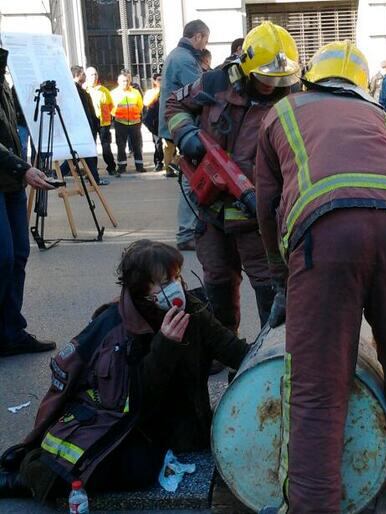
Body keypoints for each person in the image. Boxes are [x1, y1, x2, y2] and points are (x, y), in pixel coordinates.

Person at [255, 40, 386, 513]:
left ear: (311, 78)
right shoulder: (379, 116)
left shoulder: (281, 113)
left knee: (317, 387)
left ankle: (315, 504)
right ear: (361, 87)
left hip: (326, 236)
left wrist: (281, 280)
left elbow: (266, 205)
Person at [0, 239, 249, 502]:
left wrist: (272, 353)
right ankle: (27, 477)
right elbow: (135, 398)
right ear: (142, 289)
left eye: (177, 276)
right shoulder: (117, 330)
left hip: (184, 425)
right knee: (134, 469)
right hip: (132, 426)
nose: (176, 288)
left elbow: (231, 348)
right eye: (164, 283)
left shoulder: (192, 310)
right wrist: (165, 346)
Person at [165, 21, 301, 332]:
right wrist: (185, 133)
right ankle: (225, 351)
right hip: (210, 208)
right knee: (217, 278)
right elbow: (174, 104)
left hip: (258, 215)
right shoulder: (214, 83)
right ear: (247, 65)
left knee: (270, 284)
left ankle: (271, 354)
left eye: (278, 78)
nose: (271, 85)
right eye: (264, 77)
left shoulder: (293, 94)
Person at [0, 47, 57, 357]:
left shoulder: (2, 71)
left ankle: (11, 332)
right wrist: (23, 167)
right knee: (3, 258)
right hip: (11, 173)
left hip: (11, 181)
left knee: (19, 255)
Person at [159, 19, 210, 250]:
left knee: (191, 178)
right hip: (184, 126)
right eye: (205, 40)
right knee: (191, 181)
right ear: (198, 36)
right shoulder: (184, 59)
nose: (204, 46)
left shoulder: (178, 55)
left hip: (179, 125)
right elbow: (200, 91)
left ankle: (190, 230)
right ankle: (186, 233)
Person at [66, 66, 109, 185]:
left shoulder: (80, 89)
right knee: (87, 153)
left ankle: (94, 178)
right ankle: (94, 179)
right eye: (83, 74)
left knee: (84, 153)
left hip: (87, 126)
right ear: (77, 75)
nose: (85, 76)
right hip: (83, 127)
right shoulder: (74, 89)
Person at [110, 72, 146, 174]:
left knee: (137, 145)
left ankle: (139, 165)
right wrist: (117, 115)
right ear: (118, 82)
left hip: (135, 122)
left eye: (126, 81)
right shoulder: (113, 93)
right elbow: (110, 107)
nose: (125, 83)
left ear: (129, 81)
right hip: (120, 123)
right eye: (123, 81)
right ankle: (121, 166)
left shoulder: (135, 92)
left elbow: (140, 105)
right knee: (121, 146)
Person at [85, 67, 117, 177]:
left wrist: (110, 117)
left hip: (103, 122)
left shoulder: (104, 90)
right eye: (91, 75)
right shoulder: (84, 90)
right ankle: (92, 171)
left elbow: (111, 105)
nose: (94, 77)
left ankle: (111, 167)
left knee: (106, 146)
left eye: (95, 75)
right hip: (90, 121)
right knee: (91, 148)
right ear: (86, 76)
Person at [143, 72, 164, 171]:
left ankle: (171, 163)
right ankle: (158, 162)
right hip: (155, 122)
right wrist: (157, 93)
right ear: (154, 81)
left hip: (166, 120)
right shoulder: (151, 92)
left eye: (162, 79)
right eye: (159, 80)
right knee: (158, 143)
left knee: (170, 144)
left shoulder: (167, 91)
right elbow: (146, 102)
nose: (161, 81)